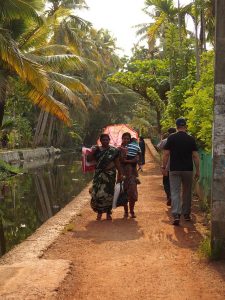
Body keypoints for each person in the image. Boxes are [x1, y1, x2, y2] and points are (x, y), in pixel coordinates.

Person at [162, 118, 200, 226]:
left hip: (174, 170)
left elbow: (166, 154)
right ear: (185, 126)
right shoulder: (191, 139)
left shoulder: (171, 138)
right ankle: (186, 214)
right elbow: (195, 156)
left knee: (175, 192)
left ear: (176, 126)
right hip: (188, 169)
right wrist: (198, 170)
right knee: (187, 192)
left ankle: (176, 215)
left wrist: (164, 167)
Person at [88, 134, 122, 221]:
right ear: (100, 140)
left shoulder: (114, 150)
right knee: (97, 194)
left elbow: (117, 163)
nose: (105, 141)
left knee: (109, 193)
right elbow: (89, 159)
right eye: (103, 140)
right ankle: (99, 213)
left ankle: (108, 213)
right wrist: (92, 151)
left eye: (107, 140)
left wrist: (121, 174)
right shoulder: (96, 149)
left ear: (109, 140)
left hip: (110, 175)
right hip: (98, 174)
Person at [119, 132, 139, 218]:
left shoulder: (133, 148)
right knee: (124, 193)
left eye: (127, 138)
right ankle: (126, 211)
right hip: (123, 173)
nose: (126, 140)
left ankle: (132, 211)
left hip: (133, 173)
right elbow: (120, 160)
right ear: (122, 139)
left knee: (132, 192)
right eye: (124, 138)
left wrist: (127, 161)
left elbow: (137, 159)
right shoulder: (119, 149)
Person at [157, 128, 176, 206]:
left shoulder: (165, 141)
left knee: (166, 182)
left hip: (167, 166)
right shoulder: (179, 140)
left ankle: (169, 196)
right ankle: (174, 198)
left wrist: (163, 167)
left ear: (168, 133)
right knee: (175, 184)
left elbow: (159, 147)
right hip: (177, 166)